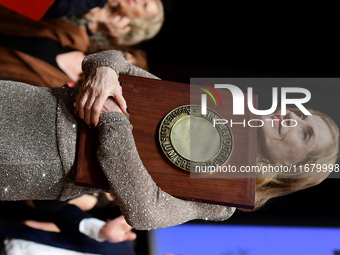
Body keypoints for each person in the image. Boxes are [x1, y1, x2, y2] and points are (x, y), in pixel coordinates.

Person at [0, 50, 338, 230]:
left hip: (32, 159)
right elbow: (115, 62)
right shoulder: (220, 108)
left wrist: (113, 119)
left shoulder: (224, 197)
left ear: (292, 170)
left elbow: (146, 211)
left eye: (304, 132)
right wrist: (105, 72)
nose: (292, 118)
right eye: (300, 113)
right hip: (22, 99)